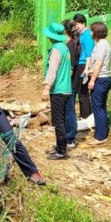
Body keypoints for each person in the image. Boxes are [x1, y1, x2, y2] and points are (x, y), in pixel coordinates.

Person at [41, 22, 72, 160]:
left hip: (58, 90)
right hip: (66, 88)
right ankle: (60, 148)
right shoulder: (64, 47)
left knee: (58, 121)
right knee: (61, 120)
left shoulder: (56, 50)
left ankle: (61, 151)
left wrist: (47, 88)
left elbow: (52, 70)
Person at [87, 22, 111, 146]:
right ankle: (101, 132)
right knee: (100, 107)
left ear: (96, 32)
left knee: (98, 107)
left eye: (91, 31)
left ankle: (100, 136)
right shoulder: (103, 44)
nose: (90, 33)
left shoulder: (101, 45)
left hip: (100, 79)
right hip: (103, 78)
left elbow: (98, 63)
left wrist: (92, 80)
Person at [73, 14, 94, 123]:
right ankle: (83, 115)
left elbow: (89, 52)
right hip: (80, 64)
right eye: (75, 24)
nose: (76, 26)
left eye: (78, 24)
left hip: (84, 65)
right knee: (80, 91)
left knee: (83, 91)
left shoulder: (86, 35)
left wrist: (87, 68)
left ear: (83, 23)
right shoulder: (80, 34)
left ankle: (86, 116)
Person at [63, 20, 81, 148]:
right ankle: (70, 135)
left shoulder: (70, 45)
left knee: (69, 110)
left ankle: (70, 137)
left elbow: (71, 67)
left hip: (70, 83)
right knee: (70, 110)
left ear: (65, 31)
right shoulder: (73, 43)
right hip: (73, 82)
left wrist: (64, 82)